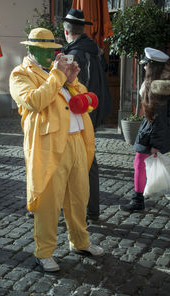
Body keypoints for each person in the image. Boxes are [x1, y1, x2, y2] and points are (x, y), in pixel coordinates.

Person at [9, 28, 104, 272]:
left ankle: (80, 242)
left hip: (76, 141)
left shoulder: (57, 73)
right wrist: (58, 76)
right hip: (49, 145)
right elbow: (35, 101)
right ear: (30, 49)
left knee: (79, 197)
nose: (51, 55)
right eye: (45, 50)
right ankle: (44, 252)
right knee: (48, 203)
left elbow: (84, 102)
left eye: (52, 50)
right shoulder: (20, 74)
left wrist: (72, 81)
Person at [62, 8, 112, 222]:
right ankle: (92, 210)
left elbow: (69, 87)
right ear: (82, 30)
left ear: (66, 32)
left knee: (74, 162)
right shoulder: (94, 49)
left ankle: (74, 210)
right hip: (91, 110)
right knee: (88, 160)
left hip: (77, 112)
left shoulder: (75, 53)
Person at [120, 47, 170, 212]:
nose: (143, 67)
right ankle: (138, 199)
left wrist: (156, 144)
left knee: (139, 164)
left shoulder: (158, 87)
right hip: (150, 131)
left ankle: (137, 200)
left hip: (151, 133)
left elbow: (160, 118)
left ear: (153, 66)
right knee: (140, 164)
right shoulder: (158, 84)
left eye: (146, 64)